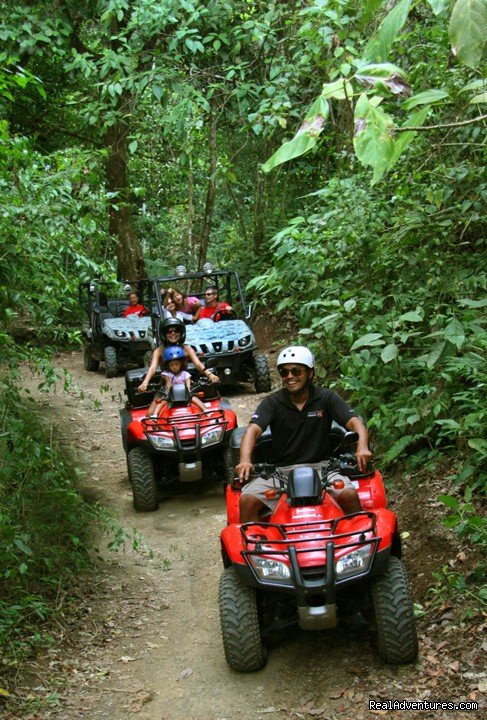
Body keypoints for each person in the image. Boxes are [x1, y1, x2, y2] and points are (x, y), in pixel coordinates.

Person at [236, 345, 373, 523]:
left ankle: (358, 541)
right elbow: (252, 431)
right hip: (281, 473)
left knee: (349, 494)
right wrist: (245, 460)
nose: (290, 377)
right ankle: (255, 547)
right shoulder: (272, 402)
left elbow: (356, 423)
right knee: (247, 500)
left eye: (296, 371)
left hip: (322, 469)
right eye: (284, 372)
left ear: (310, 373)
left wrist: (362, 447)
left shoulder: (326, 398)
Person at [137, 317, 219, 392]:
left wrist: (210, 375)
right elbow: (152, 368)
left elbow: (198, 364)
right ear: (164, 334)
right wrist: (145, 382)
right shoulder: (158, 351)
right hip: (165, 388)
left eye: (176, 330)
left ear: (181, 333)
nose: (173, 333)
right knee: (155, 407)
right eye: (169, 331)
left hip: (186, 385)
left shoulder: (187, 349)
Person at [146, 346, 206, 418]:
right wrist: (167, 394)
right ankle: (155, 415)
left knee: (193, 398)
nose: (174, 367)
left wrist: (189, 392)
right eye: (172, 365)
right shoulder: (167, 374)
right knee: (163, 401)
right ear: (168, 366)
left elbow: (188, 385)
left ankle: (205, 410)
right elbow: (168, 385)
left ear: (181, 364)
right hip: (171, 395)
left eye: (177, 364)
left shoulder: (185, 374)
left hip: (184, 394)